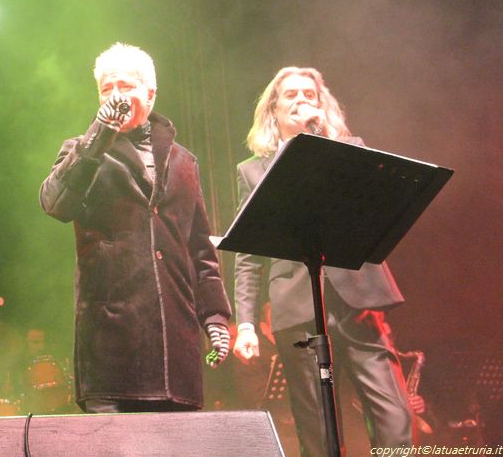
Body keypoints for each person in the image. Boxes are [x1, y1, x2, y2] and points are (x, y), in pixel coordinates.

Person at [40, 42, 232, 413]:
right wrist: (98, 136)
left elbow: (200, 250)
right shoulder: (83, 151)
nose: (115, 96)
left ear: (150, 92)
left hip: (175, 345)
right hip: (111, 344)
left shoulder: (184, 161)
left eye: (125, 86)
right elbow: (54, 203)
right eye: (106, 89)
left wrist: (216, 317)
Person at [232, 67, 413, 455]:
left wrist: (322, 142)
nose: (301, 101)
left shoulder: (351, 151)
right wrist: (245, 322)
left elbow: (377, 206)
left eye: (309, 95)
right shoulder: (252, 171)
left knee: (394, 415)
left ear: (321, 105)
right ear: (274, 110)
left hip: (357, 300)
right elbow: (247, 255)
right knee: (317, 428)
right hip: (296, 308)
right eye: (291, 96)